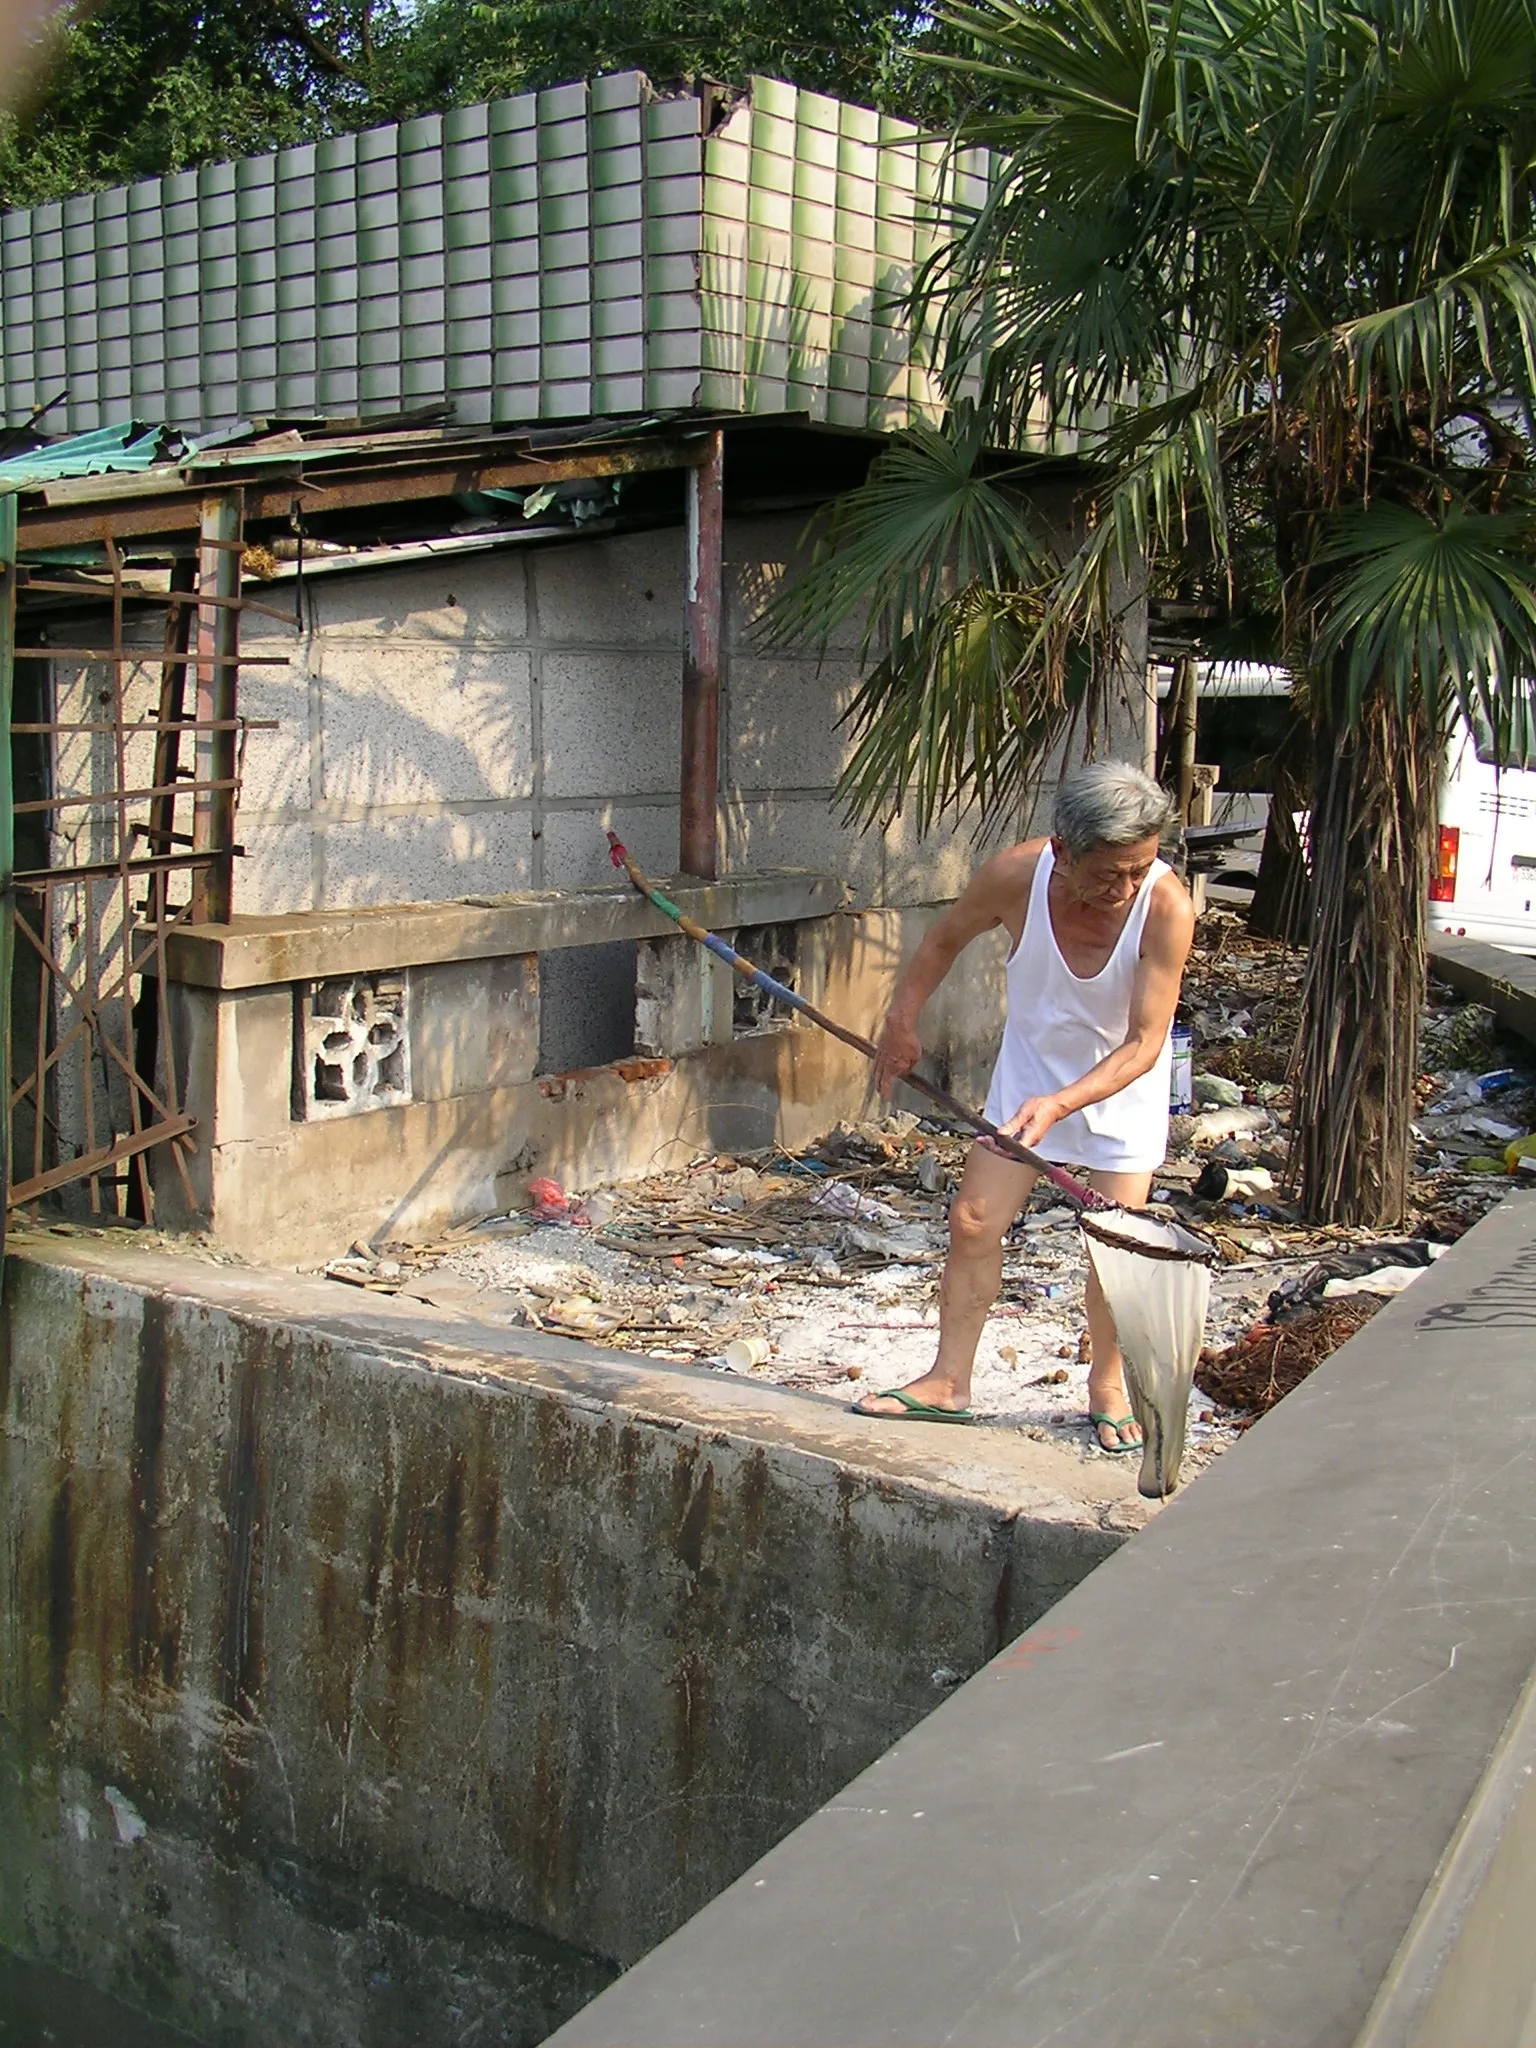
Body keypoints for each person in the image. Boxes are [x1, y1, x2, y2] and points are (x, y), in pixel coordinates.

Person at [854, 761, 1195, 1451]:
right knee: (973, 1220)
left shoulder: (1166, 907)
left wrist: (1063, 1104)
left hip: (1118, 1088)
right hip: (1029, 1074)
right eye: (1109, 873)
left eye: (1140, 868)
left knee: (1115, 1247)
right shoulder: (1016, 876)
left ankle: (1106, 1386)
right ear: (1063, 850)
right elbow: (944, 939)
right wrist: (901, 1022)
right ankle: (949, 1383)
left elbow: (1144, 1042)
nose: (1124, 889)